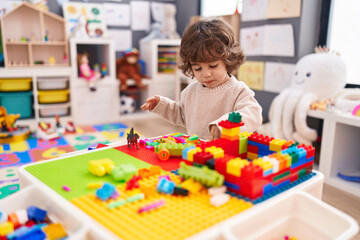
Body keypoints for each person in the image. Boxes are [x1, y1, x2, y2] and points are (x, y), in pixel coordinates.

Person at [141, 19, 262, 140]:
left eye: (213, 66)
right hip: (197, 151)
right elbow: (183, 116)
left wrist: (225, 125)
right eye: (198, 68)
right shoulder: (191, 91)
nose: (206, 74)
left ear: (228, 59)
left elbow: (253, 114)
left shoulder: (237, 90)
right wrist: (162, 105)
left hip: (227, 154)